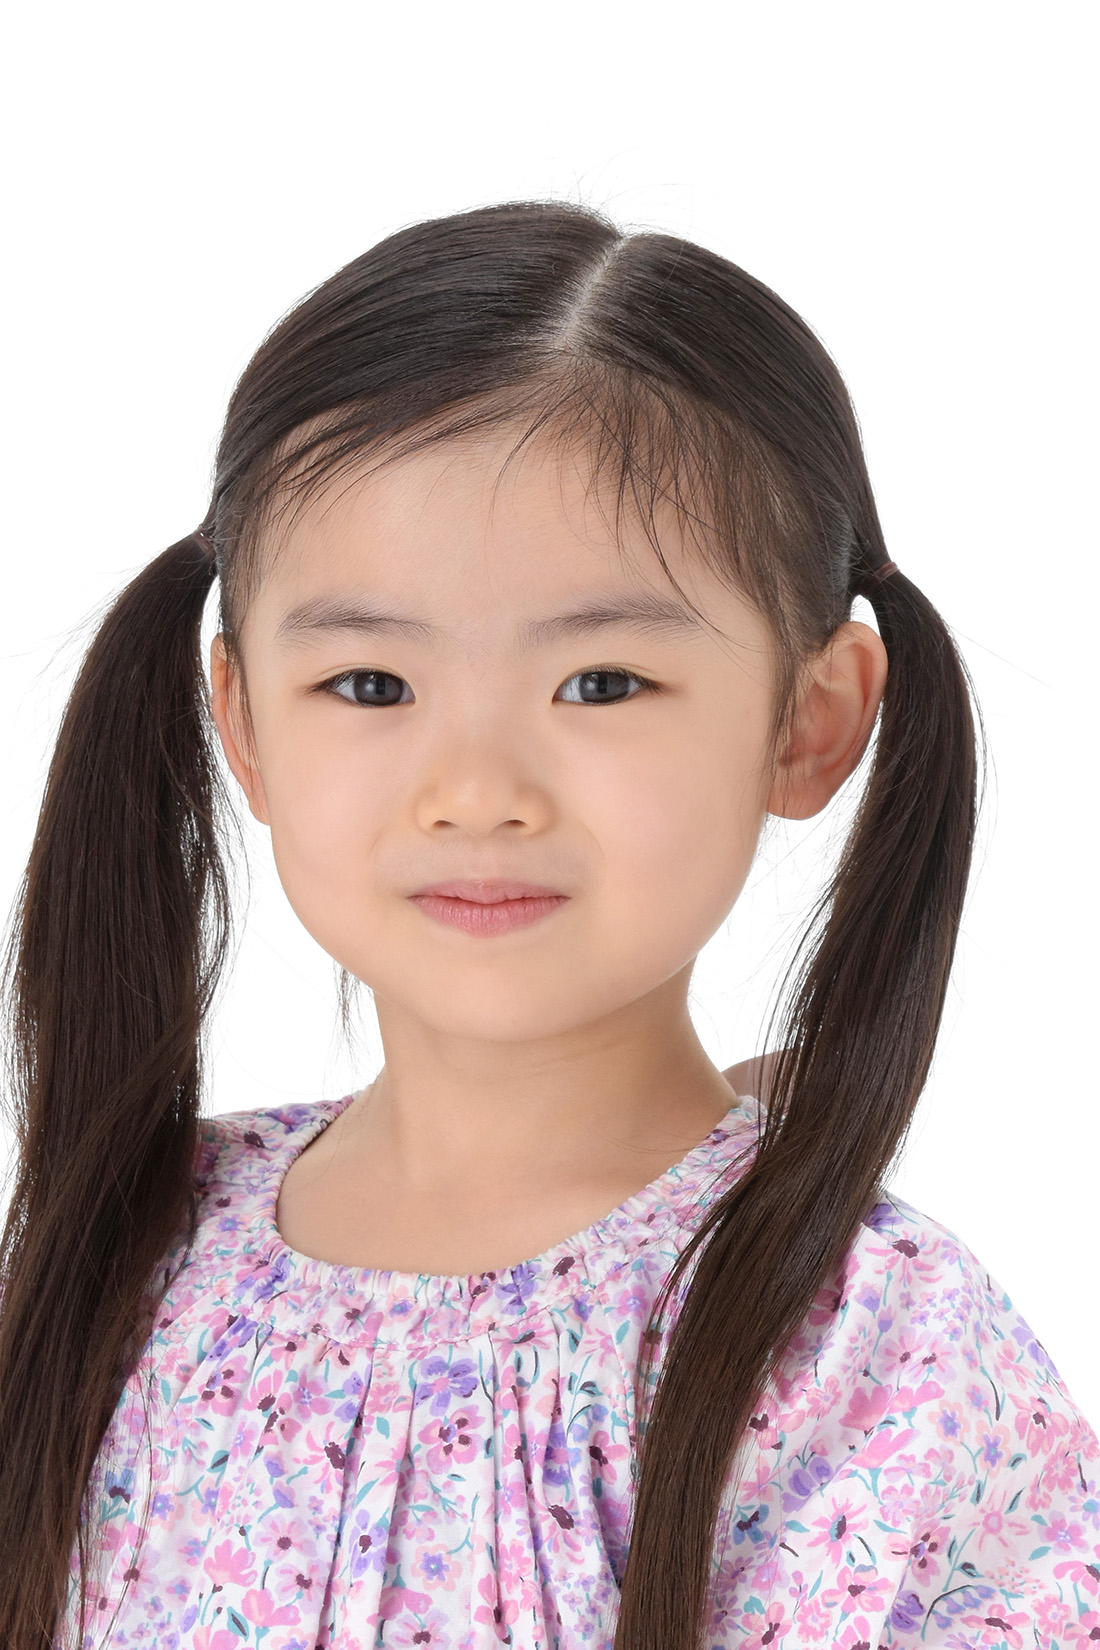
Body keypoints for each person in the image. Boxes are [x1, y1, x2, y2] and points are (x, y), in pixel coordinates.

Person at [0, 200, 1095, 1650]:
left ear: (808, 720)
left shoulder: (864, 1345)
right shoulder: (124, 1261)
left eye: (602, 683)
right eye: (371, 686)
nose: (476, 792)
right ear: (244, 724)